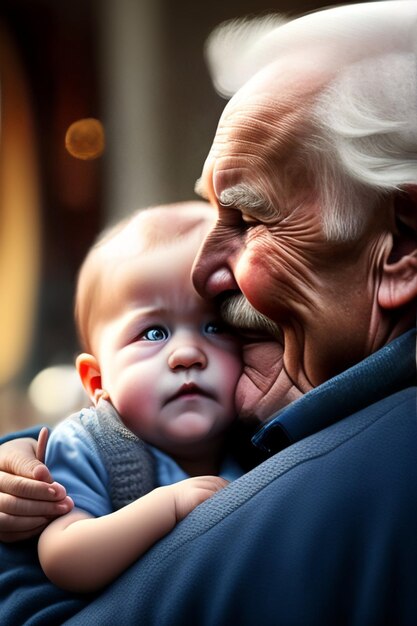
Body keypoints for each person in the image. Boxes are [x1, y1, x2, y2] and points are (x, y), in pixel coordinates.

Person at [1, 2, 416, 624]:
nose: (203, 271)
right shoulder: (269, 425)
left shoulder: (348, 488)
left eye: (249, 219)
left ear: (403, 249)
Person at [35, 201, 246, 593]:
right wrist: (167, 507)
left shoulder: (258, 436)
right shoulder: (92, 445)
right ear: (97, 380)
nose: (187, 354)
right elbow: (63, 556)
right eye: (153, 333)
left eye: (215, 327)